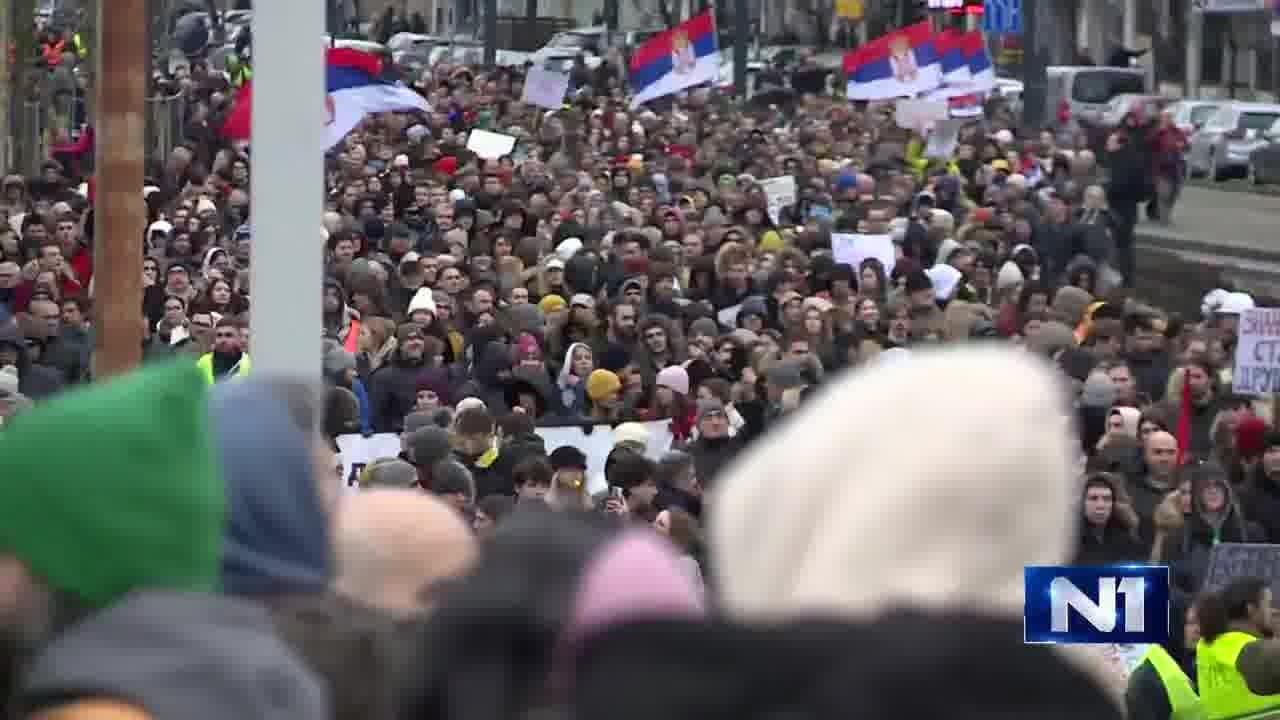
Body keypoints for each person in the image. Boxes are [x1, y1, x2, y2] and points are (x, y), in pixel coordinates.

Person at [1195, 577, 1280, 718]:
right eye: (1268, 604)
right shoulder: (1233, 643)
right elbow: (1265, 660)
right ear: (1251, 610)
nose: (1273, 612)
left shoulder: (1209, 643)